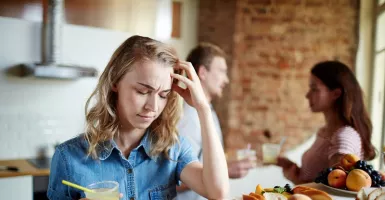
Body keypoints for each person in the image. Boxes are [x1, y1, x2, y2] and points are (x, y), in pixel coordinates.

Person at [47, 36, 229, 200]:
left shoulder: (173, 150)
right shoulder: (68, 158)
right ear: (114, 82)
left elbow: (217, 192)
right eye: (143, 91)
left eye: (163, 95)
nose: (153, 107)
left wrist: (203, 108)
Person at [176, 43, 256, 200]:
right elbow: (173, 178)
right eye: (222, 72)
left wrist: (225, 161)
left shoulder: (208, 111)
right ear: (203, 72)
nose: (226, 80)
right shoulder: (189, 119)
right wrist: (225, 170)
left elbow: (202, 159)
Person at [276, 61, 376, 184]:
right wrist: (292, 167)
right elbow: (319, 177)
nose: (307, 95)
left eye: (314, 89)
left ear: (336, 94)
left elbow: (335, 193)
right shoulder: (324, 131)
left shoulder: (343, 137)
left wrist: (296, 180)